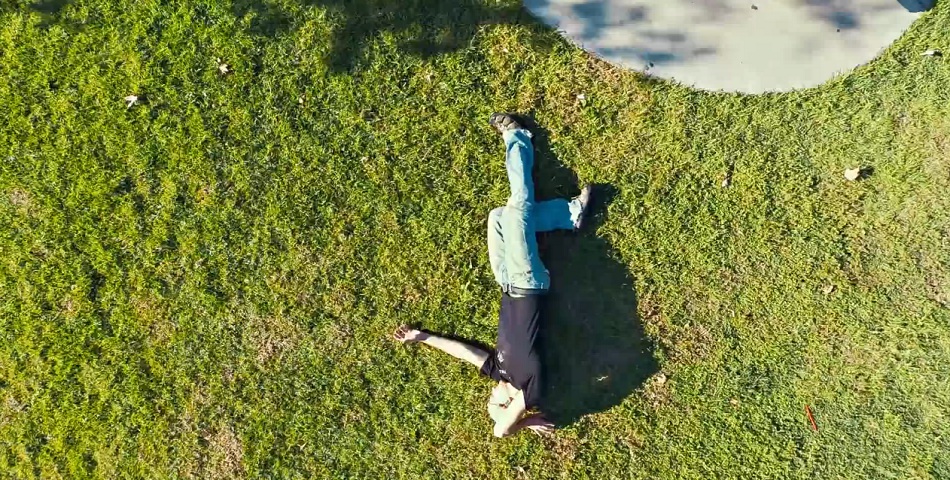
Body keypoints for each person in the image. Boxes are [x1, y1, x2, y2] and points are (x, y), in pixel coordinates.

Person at [394, 113, 592, 437]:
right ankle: (516, 137)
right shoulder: (530, 385)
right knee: (518, 208)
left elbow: (463, 351)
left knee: (499, 218)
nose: (490, 396)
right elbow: (501, 431)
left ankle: (569, 215)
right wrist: (524, 422)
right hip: (527, 282)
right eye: (495, 403)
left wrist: (423, 337)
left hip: (506, 279)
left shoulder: (498, 369)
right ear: (509, 404)